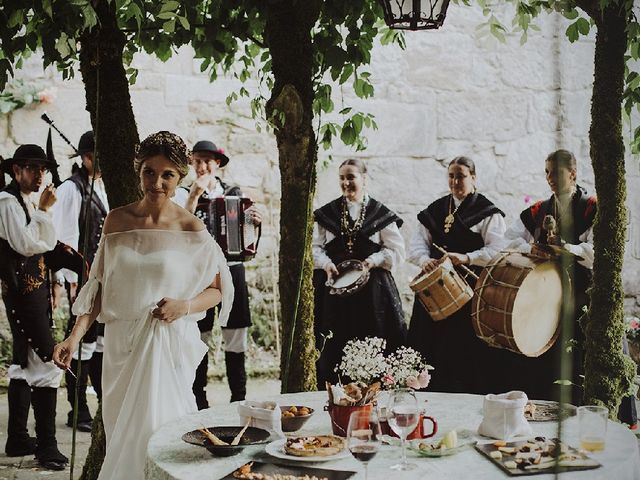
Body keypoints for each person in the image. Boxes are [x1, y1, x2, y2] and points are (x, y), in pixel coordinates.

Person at [53, 131, 234, 480]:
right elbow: (99, 287)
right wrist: (73, 338)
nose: (157, 182)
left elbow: (217, 289)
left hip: (166, 346)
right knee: (124, 439)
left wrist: (184, 305)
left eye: (167, 174)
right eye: (150, 172)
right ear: (139, 172)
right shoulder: (116, 220)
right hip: (120, 347)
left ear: (180, 177)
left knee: (159, 435)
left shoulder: (190, 227)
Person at [406, 156, 506, 394]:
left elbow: (497, 250)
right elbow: (417, 245)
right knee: (429, 342)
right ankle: (428, 391)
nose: (455, 181)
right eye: (451, 175)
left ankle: (467, 391)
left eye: (460, 176)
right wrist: (425, 260)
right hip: (435, 290)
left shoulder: (487, 212)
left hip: (470, 289)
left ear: (473, 177)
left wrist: (466, 258)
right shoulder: (436, 210)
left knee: (464, 344)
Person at [173, 140, 261, 405]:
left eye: (207, 161)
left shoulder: (233, 193)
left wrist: (255, 223)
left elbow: (247, 241)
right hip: (198, 274)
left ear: (217, 164)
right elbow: (179, 230)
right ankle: (199, 399)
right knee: (200, 336)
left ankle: (239, 399)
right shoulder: (182, 194)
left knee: (236, 336)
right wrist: (194, 197)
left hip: (231, 271)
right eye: (197, 161)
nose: (201, 166)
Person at [503, 149, 595, 401]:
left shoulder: (590, 207)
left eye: (555, 172)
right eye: (546, 172)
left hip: (580, 293)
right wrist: (531, 248)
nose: (549, 178)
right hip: (544, 292)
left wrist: (566, 249)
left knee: (577, 353)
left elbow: (595, 253)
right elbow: (509, 240)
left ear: (573, 173)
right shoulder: (539, 209)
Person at [0, 144, 69, 470]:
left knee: (24, 364)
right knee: (48, 362)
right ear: (16, 171)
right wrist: (43, 211)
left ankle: (16, 439)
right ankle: (47, 446)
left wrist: (53, 281)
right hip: (22, 295)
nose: (39, 174)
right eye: (31, 168)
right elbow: (27, 244)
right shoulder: (6, 202)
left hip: (35, 293)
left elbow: (47, 244)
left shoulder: (25, 201)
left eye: (42, 168)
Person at [313, 158, 406, 386]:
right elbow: (315, 247)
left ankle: (375, 389)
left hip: (373, 294)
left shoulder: (379, 214)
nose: (346, 183)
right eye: (342, 178)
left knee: (374, 337)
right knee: (335, 340)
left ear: (364, 179)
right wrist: (326, 264)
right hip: (335, 292)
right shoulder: (328, 213)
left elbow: (396, 250)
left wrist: (372, 261)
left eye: (351, 177)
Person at [51, 130, 109, 432]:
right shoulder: (71, 190)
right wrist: (69, 280)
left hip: (105, 279)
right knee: (81, 343)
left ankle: (100, 403)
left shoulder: (102, 187)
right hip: (82, 280)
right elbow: (63, 241)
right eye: (94, 156)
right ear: (85, 158)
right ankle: (78, 410)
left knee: (99, 344)